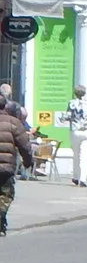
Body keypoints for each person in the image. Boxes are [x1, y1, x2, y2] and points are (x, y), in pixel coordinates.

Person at [0, 88, 36, 234]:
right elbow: (24, 145)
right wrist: (28, 162)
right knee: (6, 194)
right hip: (7, 167)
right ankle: (1, 216)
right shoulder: (14, 122)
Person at [66, 89, 87, 187]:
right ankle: (83, 178)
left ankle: (76, 176)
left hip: (75, 131)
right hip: (86, 131)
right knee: (85, 156)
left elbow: (67, 116)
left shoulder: (71, 103)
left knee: (76, 154)